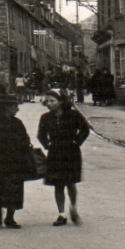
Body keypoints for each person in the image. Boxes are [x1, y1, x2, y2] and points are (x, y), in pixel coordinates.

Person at [0, 93, 35, 229]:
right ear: (5, 107)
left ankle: (10, 217)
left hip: (15, 162)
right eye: (15, 106)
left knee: (14, 190)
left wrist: (25, 151)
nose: (17, 109)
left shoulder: (17, 123)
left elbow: (25, 140)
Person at [38, 91, 91, 226]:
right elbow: (41, 135)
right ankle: (61, 214)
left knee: (70, 182)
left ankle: (73, 208)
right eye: (47, 101)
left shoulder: (73, 115)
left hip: (71, 152)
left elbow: (85, 129)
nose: (49, 104)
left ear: (60, 101)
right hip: (55, 152)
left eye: (52, 101)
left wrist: (77, 142)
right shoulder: (45, 118)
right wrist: (47, 145)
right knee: (58, 184)